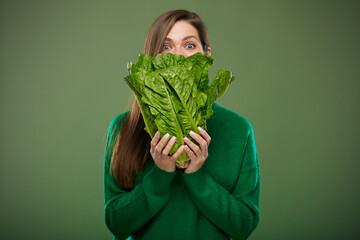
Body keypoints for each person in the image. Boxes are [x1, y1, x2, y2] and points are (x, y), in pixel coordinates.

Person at [103, 9, 260, 240]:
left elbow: (243, 226)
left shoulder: (238, 129)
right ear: (151, 58)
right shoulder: (123, 128)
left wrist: (197, 175)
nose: (177, 56)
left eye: (189, 46)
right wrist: (160, 174)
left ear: (206, 55)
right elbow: (117, 224)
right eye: (166, 47)